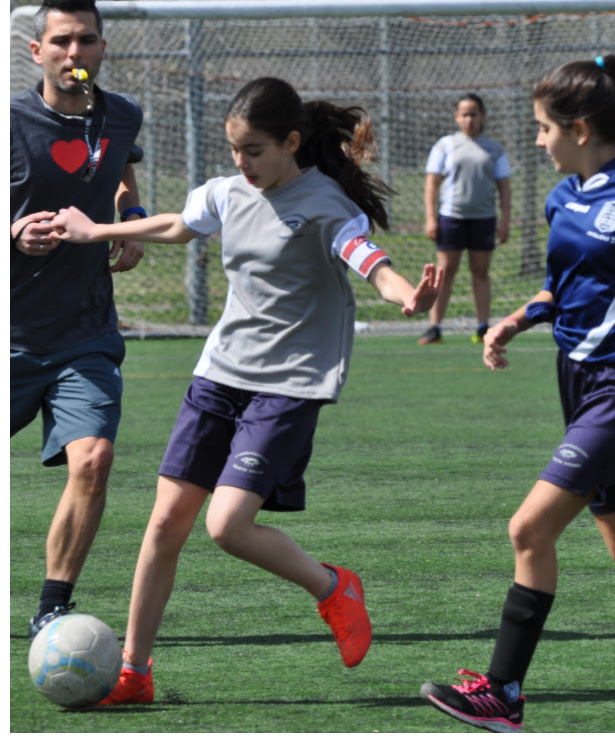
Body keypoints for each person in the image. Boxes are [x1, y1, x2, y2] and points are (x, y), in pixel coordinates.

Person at [50, 76, 443, 705]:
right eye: (235, 150)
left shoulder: (326, 205)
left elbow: (369, 259)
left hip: (290, 384)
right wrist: (97, 231)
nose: (243, 163)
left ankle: (333, 588)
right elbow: (180, 224)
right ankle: (134, 673)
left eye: (255, 150)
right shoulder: (228, 193)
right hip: (220, 373)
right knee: (163, 527)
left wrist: (406, 296)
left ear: (291, 142)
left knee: (228, 526)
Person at [418, 55, 615, 734]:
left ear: (576, 127)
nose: (536, 142)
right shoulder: (564, 195)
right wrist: (517, 318)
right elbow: (562, 286)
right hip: (577, 383)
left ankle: (503, 694)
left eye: (542, 129)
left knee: (528, 528)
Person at [11, 0, 148, 639]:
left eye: (86, 39)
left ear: (101, 47)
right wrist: (13, 234)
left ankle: (52, 610)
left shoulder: (122, 116)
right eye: (61, 41)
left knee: (92, 460)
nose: (74, 52)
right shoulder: (8, 122)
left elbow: (123, 180)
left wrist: (133, 226)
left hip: (85, 334)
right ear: (37, 50)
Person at [419, 92, 512, 345]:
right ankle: (435, 327)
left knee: (480, 272)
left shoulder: (494, 149)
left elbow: (504, 186)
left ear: (482, 116)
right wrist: (431, 217)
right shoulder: (445, 145)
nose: (469, 119)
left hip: (483, 218)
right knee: (445, 271)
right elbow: (432, 183)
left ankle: (483, 327)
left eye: (473, 113)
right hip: (451, 218)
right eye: (464, 114)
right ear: (456, 117)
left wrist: (505, 220)